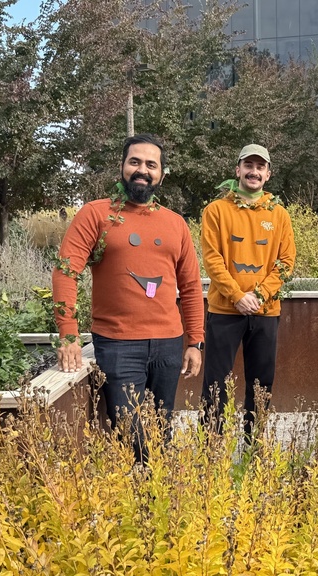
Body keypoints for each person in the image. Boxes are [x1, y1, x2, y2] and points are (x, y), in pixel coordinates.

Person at [53, 133, 205, 462]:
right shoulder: (96, 214)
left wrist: (195, 341)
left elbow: (191, 286)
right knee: (129, 431)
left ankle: (156, 502)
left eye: (151, 164)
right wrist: (68, 333)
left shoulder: (175, 223)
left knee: (160, 430)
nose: (142, 170)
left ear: (161, 174)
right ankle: (134, 496)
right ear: (122, 166)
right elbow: (66, 271)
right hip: (118, 344)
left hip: (168, 342)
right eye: (134, 161)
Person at [200, 144, 296, 435]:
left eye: (260, 167)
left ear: (268, 174)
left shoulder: (279, 215)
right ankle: (212, 446)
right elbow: (212, 258)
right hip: (224, 310)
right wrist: (237, 295)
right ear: (237, 170)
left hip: (265, 312)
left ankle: (256, 442)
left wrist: (260, 295)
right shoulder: (216, 211)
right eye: (248, 166)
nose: (254, 172)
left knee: (261, 381)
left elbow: (286, 261)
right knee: (216, 382)